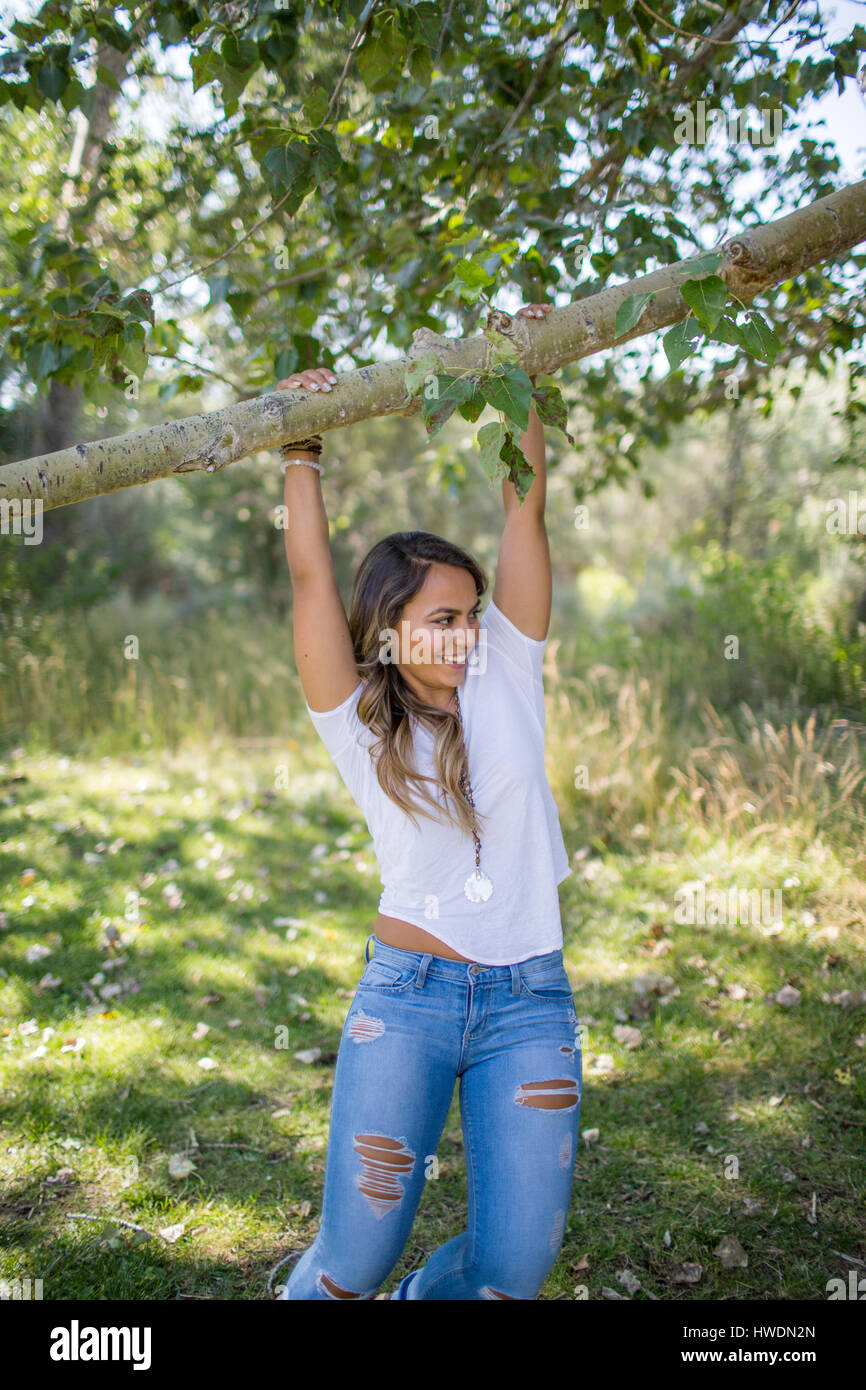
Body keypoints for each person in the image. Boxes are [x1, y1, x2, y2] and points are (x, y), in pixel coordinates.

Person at [275, 303, 582, 1300]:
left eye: (471, 612)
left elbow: (522, 507)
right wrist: (299, 445)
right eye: (440, 618)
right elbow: (312, 575)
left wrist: (518, 373)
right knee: (346, 1270)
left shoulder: (505, 669)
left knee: (509, 1274)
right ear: (391, 628)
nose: (463, 633)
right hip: (404, 999)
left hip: (528, 1002)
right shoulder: (358, 724)